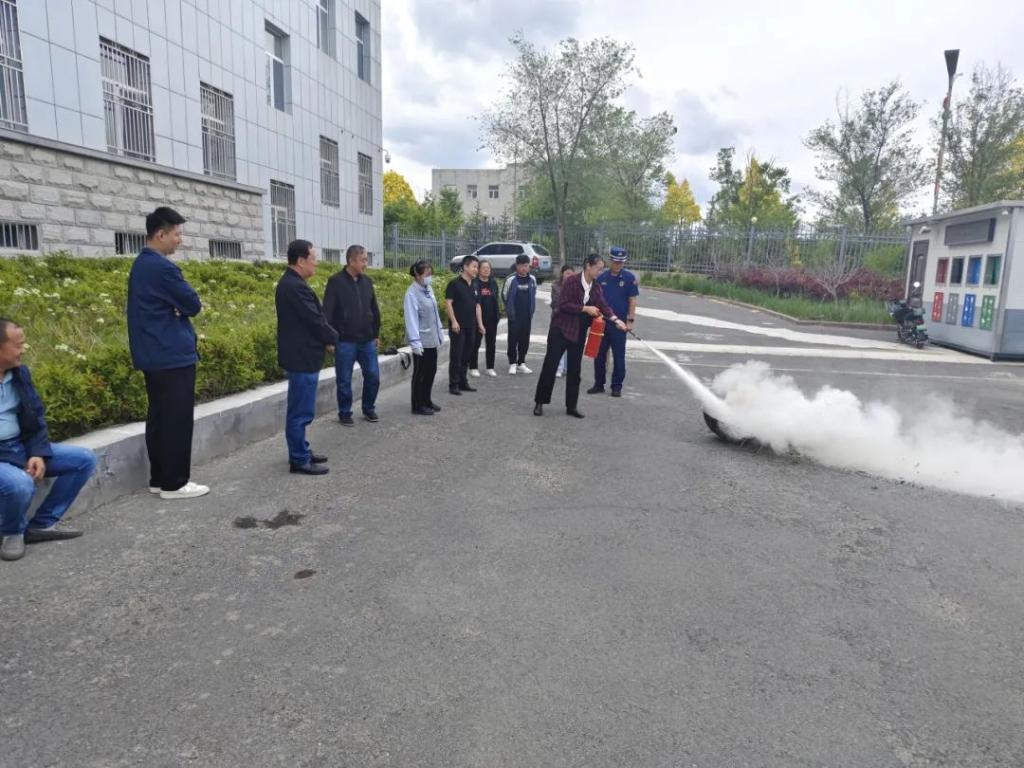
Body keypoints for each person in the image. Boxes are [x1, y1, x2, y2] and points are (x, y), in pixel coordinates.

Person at [127, 206, 209, 500]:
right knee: (176, 419)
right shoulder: (163, 268)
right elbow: (193, 304)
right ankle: (175, 484)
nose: (180, 240)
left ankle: (160, 478)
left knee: (160, 418)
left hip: (153, 355)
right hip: (171, 354)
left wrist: (177, 307)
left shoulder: (141, 264)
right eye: (176, 234)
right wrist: (179, 308)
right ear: (160, 235)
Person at [0, 320, 96, 562]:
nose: (24, 349)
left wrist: (37, 453)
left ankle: (42, 524)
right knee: (20, 484)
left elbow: (35, 417)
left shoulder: (19, 374)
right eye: (18, 345)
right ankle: (11, 532)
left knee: (83, 460)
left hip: (20, 446)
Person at [533, 254, 626, 419]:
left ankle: (571, 406)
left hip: (578, 332)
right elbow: (563, 304)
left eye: (601, 269)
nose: (600, 272)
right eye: (598, 268)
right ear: (588, 266)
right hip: (561, 329)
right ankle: (540, 402)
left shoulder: (596, 286)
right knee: (550, 366)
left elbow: (603, 305)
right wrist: (585, 309)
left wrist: (616, 320)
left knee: (575, 370)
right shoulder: (572, 281)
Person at [275, 240, 339, 475]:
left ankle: (301, 449)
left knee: (301, 410)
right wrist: (333, 338)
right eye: (313, 258)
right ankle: (299, 459)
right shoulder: (294, 287)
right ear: (301, 261)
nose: (316, 263)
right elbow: (314, 319)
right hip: (301, 357)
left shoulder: (293, 283)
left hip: (302, 355)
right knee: (300, 412)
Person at [323, 245, 382, 426]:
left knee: (373, 376)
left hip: (367, 340)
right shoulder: (335, 282)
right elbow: (327, 311)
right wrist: (329, 339)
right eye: (363, 260)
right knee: (344, 380)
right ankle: (345, 413)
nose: (366, 263)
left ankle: (368, 408)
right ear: (351, 261)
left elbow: (374, 309)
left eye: (366, 259)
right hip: (344, 341)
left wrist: (376, 333)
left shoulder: (367, 282)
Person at [588, 246, 640, 398]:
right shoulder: (601, 277)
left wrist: (630, 320)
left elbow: (632, 300)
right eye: (616, 261)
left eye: (621, 262)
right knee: (599, 355)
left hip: (619, 325)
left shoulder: (629, 278)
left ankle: (616, 386)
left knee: (619, 356)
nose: (618, 264)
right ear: (610, 260)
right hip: (602, 323)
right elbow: (595, 299)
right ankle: (599, 384)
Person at [404, 261, 447, 415]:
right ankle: (417, 405)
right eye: (426, 274)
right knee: (420, 373)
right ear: (417, 275)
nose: (430, 277)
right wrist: (415, 342)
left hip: (431, 338)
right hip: (421, 341)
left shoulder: (428, 289)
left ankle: (426, 399)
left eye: (430, 273)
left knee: (431, 371)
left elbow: (434, 312)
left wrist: (440, 331)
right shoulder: (411, 294)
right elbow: (411, 319)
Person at [444, 254, 484, 396]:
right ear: (465, 267)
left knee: (467, 355)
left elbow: (477, 306)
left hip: (471, 326)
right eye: (474, 267)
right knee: (456, 355)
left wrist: (480, 324)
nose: (476, 270)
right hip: (458, 327)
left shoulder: (475, 285)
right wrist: (454, 321)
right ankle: (453, 384)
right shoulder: (454, 284)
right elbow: (448, 303)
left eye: (477, 267)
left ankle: (463, 382)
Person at [502, 253, 537, 375]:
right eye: (521, 265)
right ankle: (512, 363)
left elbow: (533, 294)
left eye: (526, 265)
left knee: (524, 339)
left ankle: (521, 362)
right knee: (513, 339)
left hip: (527, 316)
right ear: (517, 266)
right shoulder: (510, 279)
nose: (524, 268)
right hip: (514, 316)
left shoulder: (532, 279)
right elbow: (504, 295)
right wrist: (510, 310)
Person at [470, 259, 500, 377]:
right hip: (478, 319)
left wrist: (497, 316)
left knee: (491, 343)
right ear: (478, 270)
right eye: (483, 268)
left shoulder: (493, 282)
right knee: (475, 343)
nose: (486, 270)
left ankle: (490, 367)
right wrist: (479, 322)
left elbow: (496, 299)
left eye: (488, 268)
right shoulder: (474, 283)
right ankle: (473, 367)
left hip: (492, 319)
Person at [550, 264, 575, 378]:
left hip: (572, 320)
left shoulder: (576, 286)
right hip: (558, 318)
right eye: (567, 273)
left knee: (570, 346)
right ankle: (558, 368)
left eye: (571, 274)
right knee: (558, 345)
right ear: (562, 274)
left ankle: (567, 368)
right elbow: (555, 303)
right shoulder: (555, 286)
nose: (569, 276)